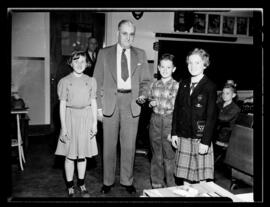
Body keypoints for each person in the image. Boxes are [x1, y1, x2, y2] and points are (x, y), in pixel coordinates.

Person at [93, 19, 151, 194]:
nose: (128, 37)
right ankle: (107, 181)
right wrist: (98, 108)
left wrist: (143, 95)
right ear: (118, 33)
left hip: (131, 103)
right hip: (111, 102)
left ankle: (127, 181)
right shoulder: (104, 53)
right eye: (125, 33)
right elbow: (96, 82)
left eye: (131, 34)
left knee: (129, 145)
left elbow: (146, 82)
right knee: (109, 145)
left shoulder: (140, 54)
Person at [55, 51, 98, 197]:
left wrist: (94, 124)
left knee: (82, 155)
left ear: (87, 64)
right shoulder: (64, 81)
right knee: (70, 155)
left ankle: (81, 183)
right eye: (76, 61)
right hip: (70, 119)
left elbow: (93, 102)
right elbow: (62, 105)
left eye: (83, 61)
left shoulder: (91, 80)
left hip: (86, 119)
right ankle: (69, 186)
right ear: (70, 63)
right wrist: (64, 128)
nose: (79, 64)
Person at [171, 48, 217, 185]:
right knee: (185, 177)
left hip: (200, 138)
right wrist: (174, 133)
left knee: (201, 178)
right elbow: (177, 110)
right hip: (184, 136)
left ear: (205, 64)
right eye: (190, 63)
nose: (193, 66)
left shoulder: (210, 86)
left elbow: (211, 117)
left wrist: (206, 141)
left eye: (197, 63)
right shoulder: (183, 84)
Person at [140, 53, 179, 188]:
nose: (165, 70)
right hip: (155, 121)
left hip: (169, 121)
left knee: (169, 155)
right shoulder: (154, 84)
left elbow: (176, 106)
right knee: (156, 154)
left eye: (168, 67)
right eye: (162, 67)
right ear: (158, 67)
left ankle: (171, 185)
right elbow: (150, 99)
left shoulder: (177, 86)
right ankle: (156, 183)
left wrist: (159, 104)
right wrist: (150, 103)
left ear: (173, 69)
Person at [214, 82, 241, 165]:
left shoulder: (235, 108)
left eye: (227, 93)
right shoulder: (219, 104)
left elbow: (224, 118)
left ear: (233, 95)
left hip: (224, 137)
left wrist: (211, 114)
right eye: (223, 93)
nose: (224, 95)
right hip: (216, 133)